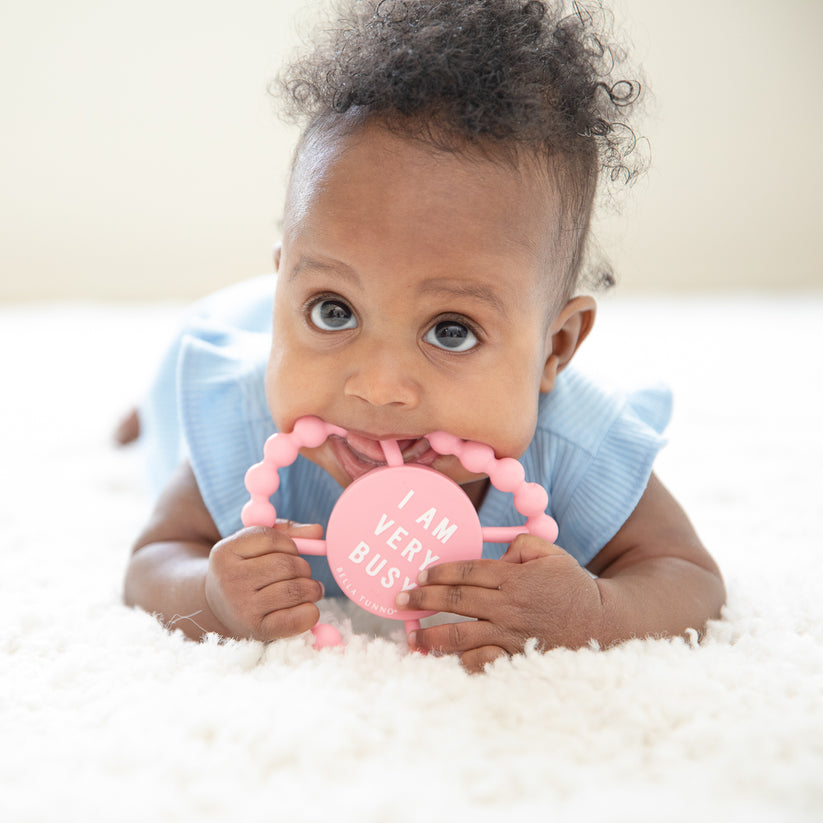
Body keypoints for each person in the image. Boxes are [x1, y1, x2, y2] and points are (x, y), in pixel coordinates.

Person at [123, 0, 725, 672]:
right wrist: (209, 593)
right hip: (219, 329)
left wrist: (592, 612)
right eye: (330, 309)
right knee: (180, 364)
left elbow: (687, 576)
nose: (377, 386)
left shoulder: (573, 449)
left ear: (554, 349)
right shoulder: (241, 423)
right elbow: (154, 558)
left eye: (451, 330)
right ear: (283, 293)